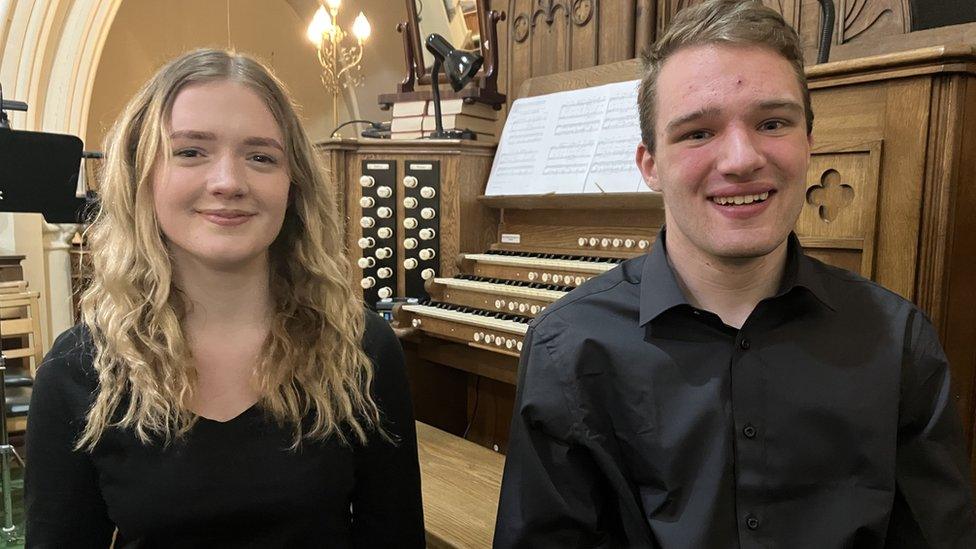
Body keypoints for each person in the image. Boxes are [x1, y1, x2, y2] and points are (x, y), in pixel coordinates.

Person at [494, 1, 976, 547]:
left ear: (809, 143)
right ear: (649, 164)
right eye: (698, 133)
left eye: (772, 123)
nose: (742, 159)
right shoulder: (568, 347)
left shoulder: (899, 340)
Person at [25, 49, 425, 547]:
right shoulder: (78, 369)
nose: (229, 182)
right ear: (141, 175)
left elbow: (394, 537)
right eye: (191, 151)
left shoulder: (361, 348)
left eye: (261, 157)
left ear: (292, 184)